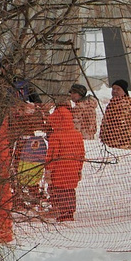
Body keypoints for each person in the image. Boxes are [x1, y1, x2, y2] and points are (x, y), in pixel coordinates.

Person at [46, 86, 87, 221]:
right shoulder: (77, 135)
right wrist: (79, 169)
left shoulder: (56, 136)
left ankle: (60, 211)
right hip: (73, 170)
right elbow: (82, 154)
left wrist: (48, 171)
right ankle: (70, 211)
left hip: (58, 171)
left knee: (58, 191)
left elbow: (52, 156)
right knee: (70, 191)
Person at [99, 78, 131, 152]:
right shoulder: (112, 104)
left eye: (118, 89)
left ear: (124, 91)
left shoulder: (127, 103)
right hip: (109, 143)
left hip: (122, 144)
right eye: (113, 89)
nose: (114, 91)